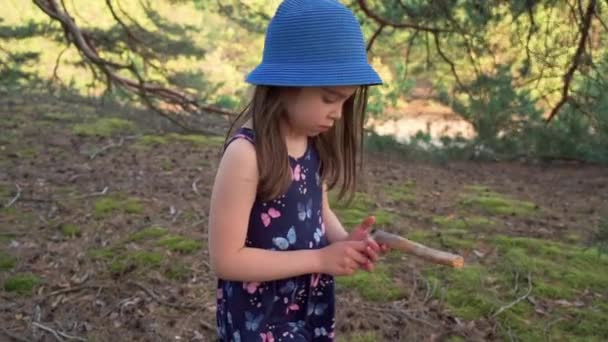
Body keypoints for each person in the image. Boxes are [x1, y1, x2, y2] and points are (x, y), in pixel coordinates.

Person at [208, 0, 388, 340]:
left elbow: (319, 212)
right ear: (287, 83)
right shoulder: (247, 156)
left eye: (345, 101)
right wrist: (320, 259)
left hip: (307, 307)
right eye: (329, 98)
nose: (338, 113)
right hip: (258, 319)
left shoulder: (312, 144)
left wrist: (345, 242)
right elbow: (226, 259)